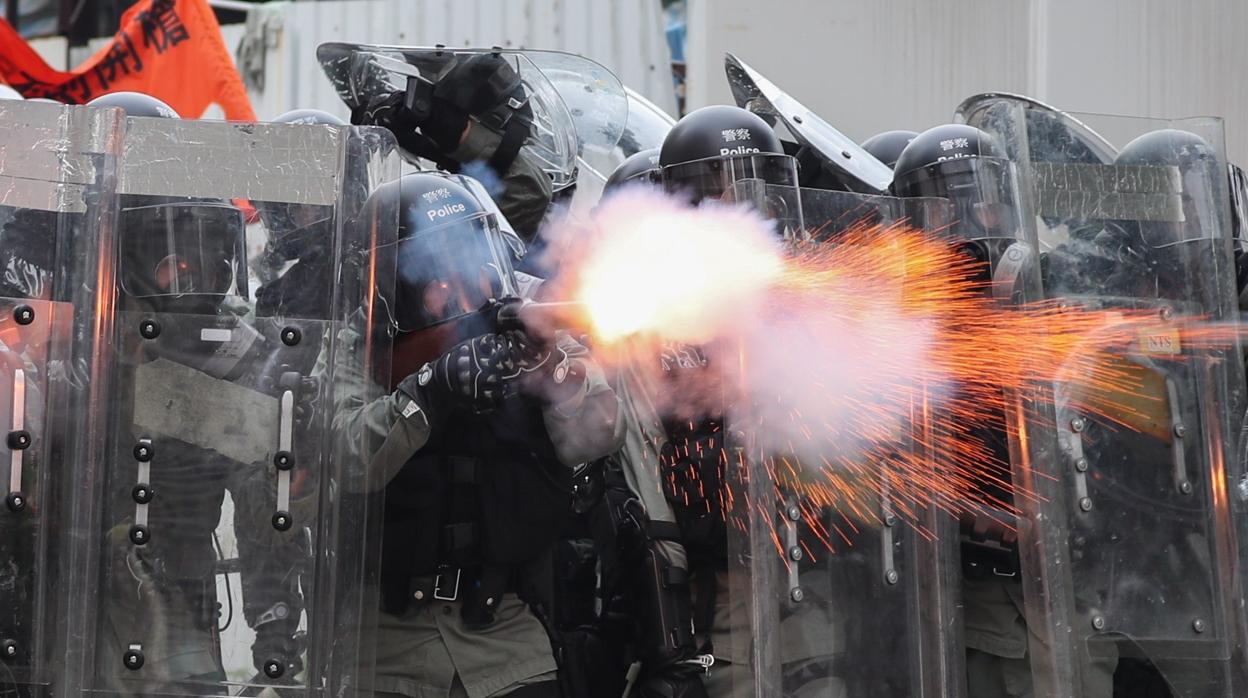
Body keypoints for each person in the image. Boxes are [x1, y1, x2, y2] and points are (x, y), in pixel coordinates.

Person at [331, 171, 624, 698]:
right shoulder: (354, 343)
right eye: (433, 270)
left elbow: (599, 435)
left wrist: (552, 367)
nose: (458, 286)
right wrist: (433, 388)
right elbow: (344, 456)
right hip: (382, 648)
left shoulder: (526, 318)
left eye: (465, 256)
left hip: (510, 643)